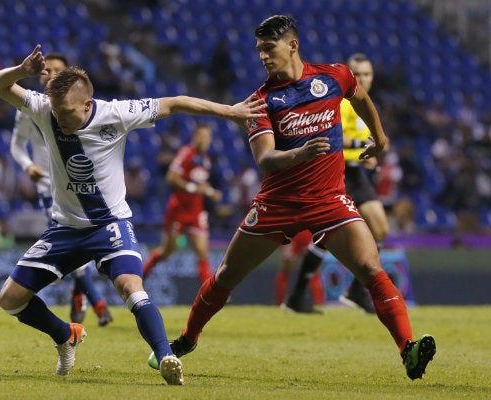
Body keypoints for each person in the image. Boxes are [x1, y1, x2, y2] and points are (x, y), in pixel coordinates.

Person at [147, 15, 435, 381]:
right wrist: (301, 154)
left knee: (370, 268)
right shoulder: (260, 102)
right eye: (259, 51)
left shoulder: (333, 77)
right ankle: (187, 339)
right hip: (277, 204)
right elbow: (266, 159)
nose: (263, 57)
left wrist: (379, 137)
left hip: (329, 198)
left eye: (269, 48)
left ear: (292, 45)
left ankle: (408, 349)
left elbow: (360, 96)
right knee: (227, 275)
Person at [0, 44, 266, 385]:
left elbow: (175, 102)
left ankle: (165, 356)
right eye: (56, 112)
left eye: (68, 112)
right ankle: (65, 334)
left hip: (109, 226)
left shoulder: (116, 114)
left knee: (131, 287)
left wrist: (231, 111)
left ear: (88, 105)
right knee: (9, 299)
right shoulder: (46, 109)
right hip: (66, 228)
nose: (59, 118)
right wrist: (21, 70)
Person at [9, 52, 112, 327]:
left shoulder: (78, 110)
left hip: (82, 190)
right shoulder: (32, 108)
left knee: (80, 251)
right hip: (49, 189)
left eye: (58, 71)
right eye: (47, 70)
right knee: (75, 250)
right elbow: (16, 146)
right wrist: (27, 164)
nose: (51, 74)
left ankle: (84, 300)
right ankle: (97, 304)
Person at [282, 53, 390, 314]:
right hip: (334, 172)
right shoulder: (336, 101)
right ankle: (299, 295)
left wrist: (370, 156)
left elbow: (363, 143)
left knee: (380, 229)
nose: (362, 79)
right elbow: (331, 139)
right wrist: (361, 149)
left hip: (355, 173)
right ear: (349, 75)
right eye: (358, 74)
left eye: (367, 74)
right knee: (325, 237)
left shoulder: (365, 105)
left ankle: (352, 290)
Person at [142, 123, 222, 283]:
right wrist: (194, 188)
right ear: (195, 137)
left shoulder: (206, 160)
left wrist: (210, 192)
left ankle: (209, 295)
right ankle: (140, 277)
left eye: (208, 137)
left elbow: (200, 184)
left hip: (196, 211)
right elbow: (171, 177)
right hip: (178, 210)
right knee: (166, 251)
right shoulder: (186, 153)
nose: (205, 140)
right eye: (202, 137)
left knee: (202, 252)